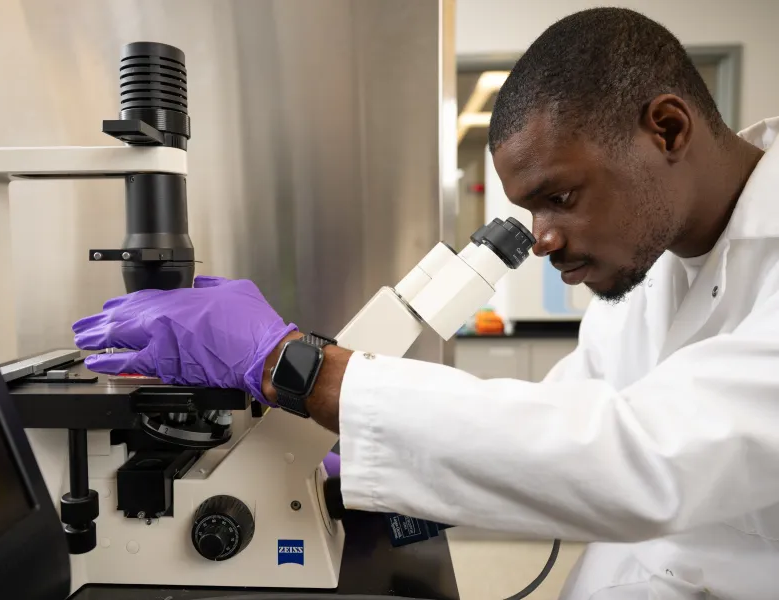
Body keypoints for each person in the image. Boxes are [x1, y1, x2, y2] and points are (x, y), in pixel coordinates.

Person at [72, 7, 779, 599]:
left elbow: (636, 459)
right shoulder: (648, 264)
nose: (544, 239)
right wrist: (380, 447)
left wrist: (298, 368)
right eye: (530, 211)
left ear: (668, 130)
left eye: (559, 198)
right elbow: (562, 420)